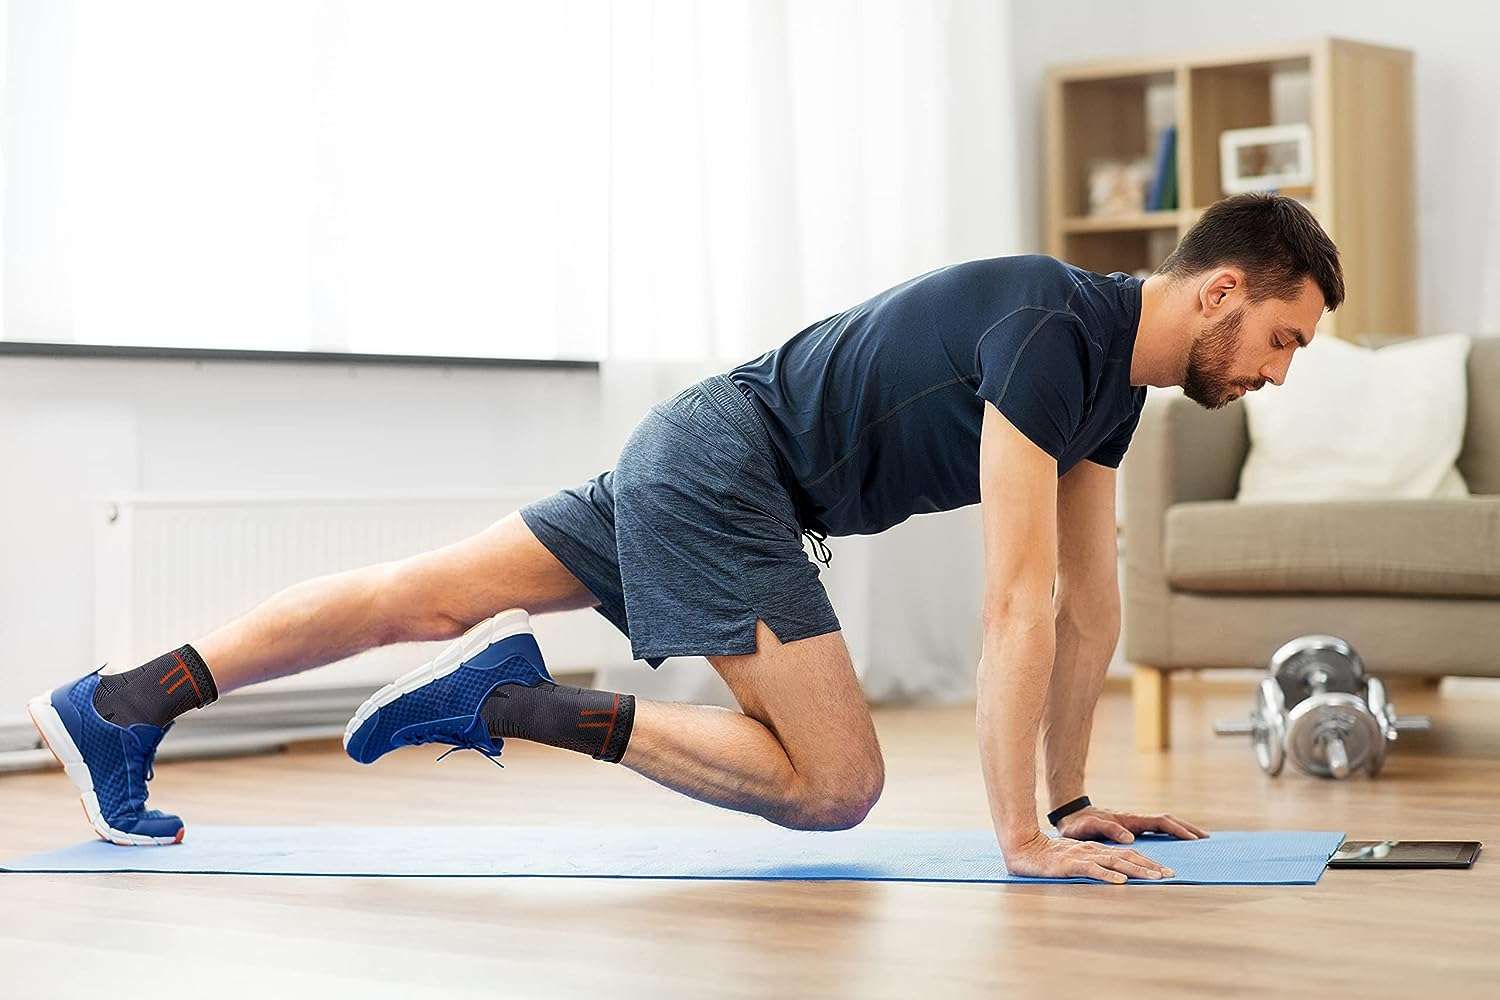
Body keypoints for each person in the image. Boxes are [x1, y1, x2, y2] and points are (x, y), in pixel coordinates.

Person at [28, 192, 1342, 883]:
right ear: (1222, 288)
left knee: (418, 600)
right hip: (728, 472)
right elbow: (1016, 605)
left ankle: (122, 702)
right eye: (1284, 338)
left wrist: (1066, 802)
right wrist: (1019, 840)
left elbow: (1090, 604)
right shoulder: (1056, 332)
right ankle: (526, 705)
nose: (1280, 372)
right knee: (837, 785)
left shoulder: (1113, 381)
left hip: (711, 450)